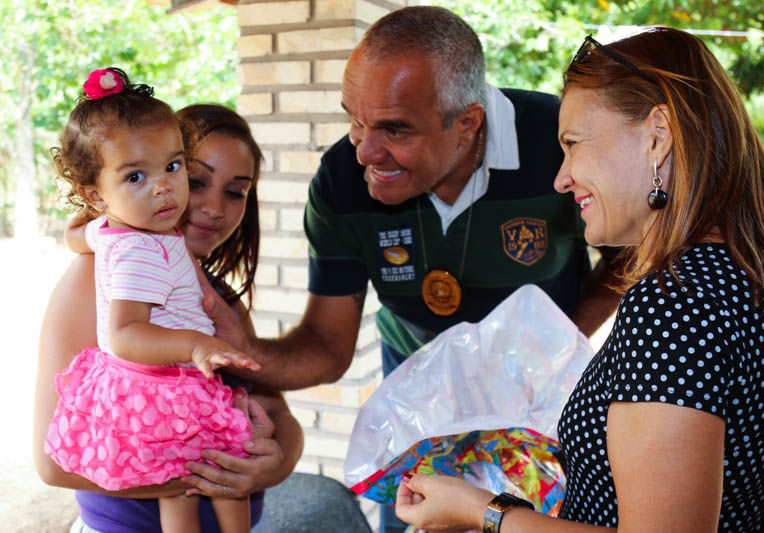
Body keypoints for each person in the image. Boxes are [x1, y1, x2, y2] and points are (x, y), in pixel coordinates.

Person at [197, 7, 621, 533]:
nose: (365, 151)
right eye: (355, 119)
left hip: (539, 396)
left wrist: (547, 343)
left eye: (395, 129)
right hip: (418, 392)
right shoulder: (340, 181)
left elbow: (632, 253)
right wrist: (244, 352)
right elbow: (327, 348)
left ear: (469, 123)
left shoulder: (556, 142)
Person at [393, 26, 764, 533]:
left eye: (573, 144)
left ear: (657, 134)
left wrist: (484, 511)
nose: (562, 177)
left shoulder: (676, 304)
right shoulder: (756, 271)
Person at [33, 96, 303, 532]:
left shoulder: (218, 297)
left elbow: (279, 414)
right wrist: (198, 471)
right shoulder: (97, 280)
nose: (214, 207)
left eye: (235, 192)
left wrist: (274, 464)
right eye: (198, 181)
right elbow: (53, 464)